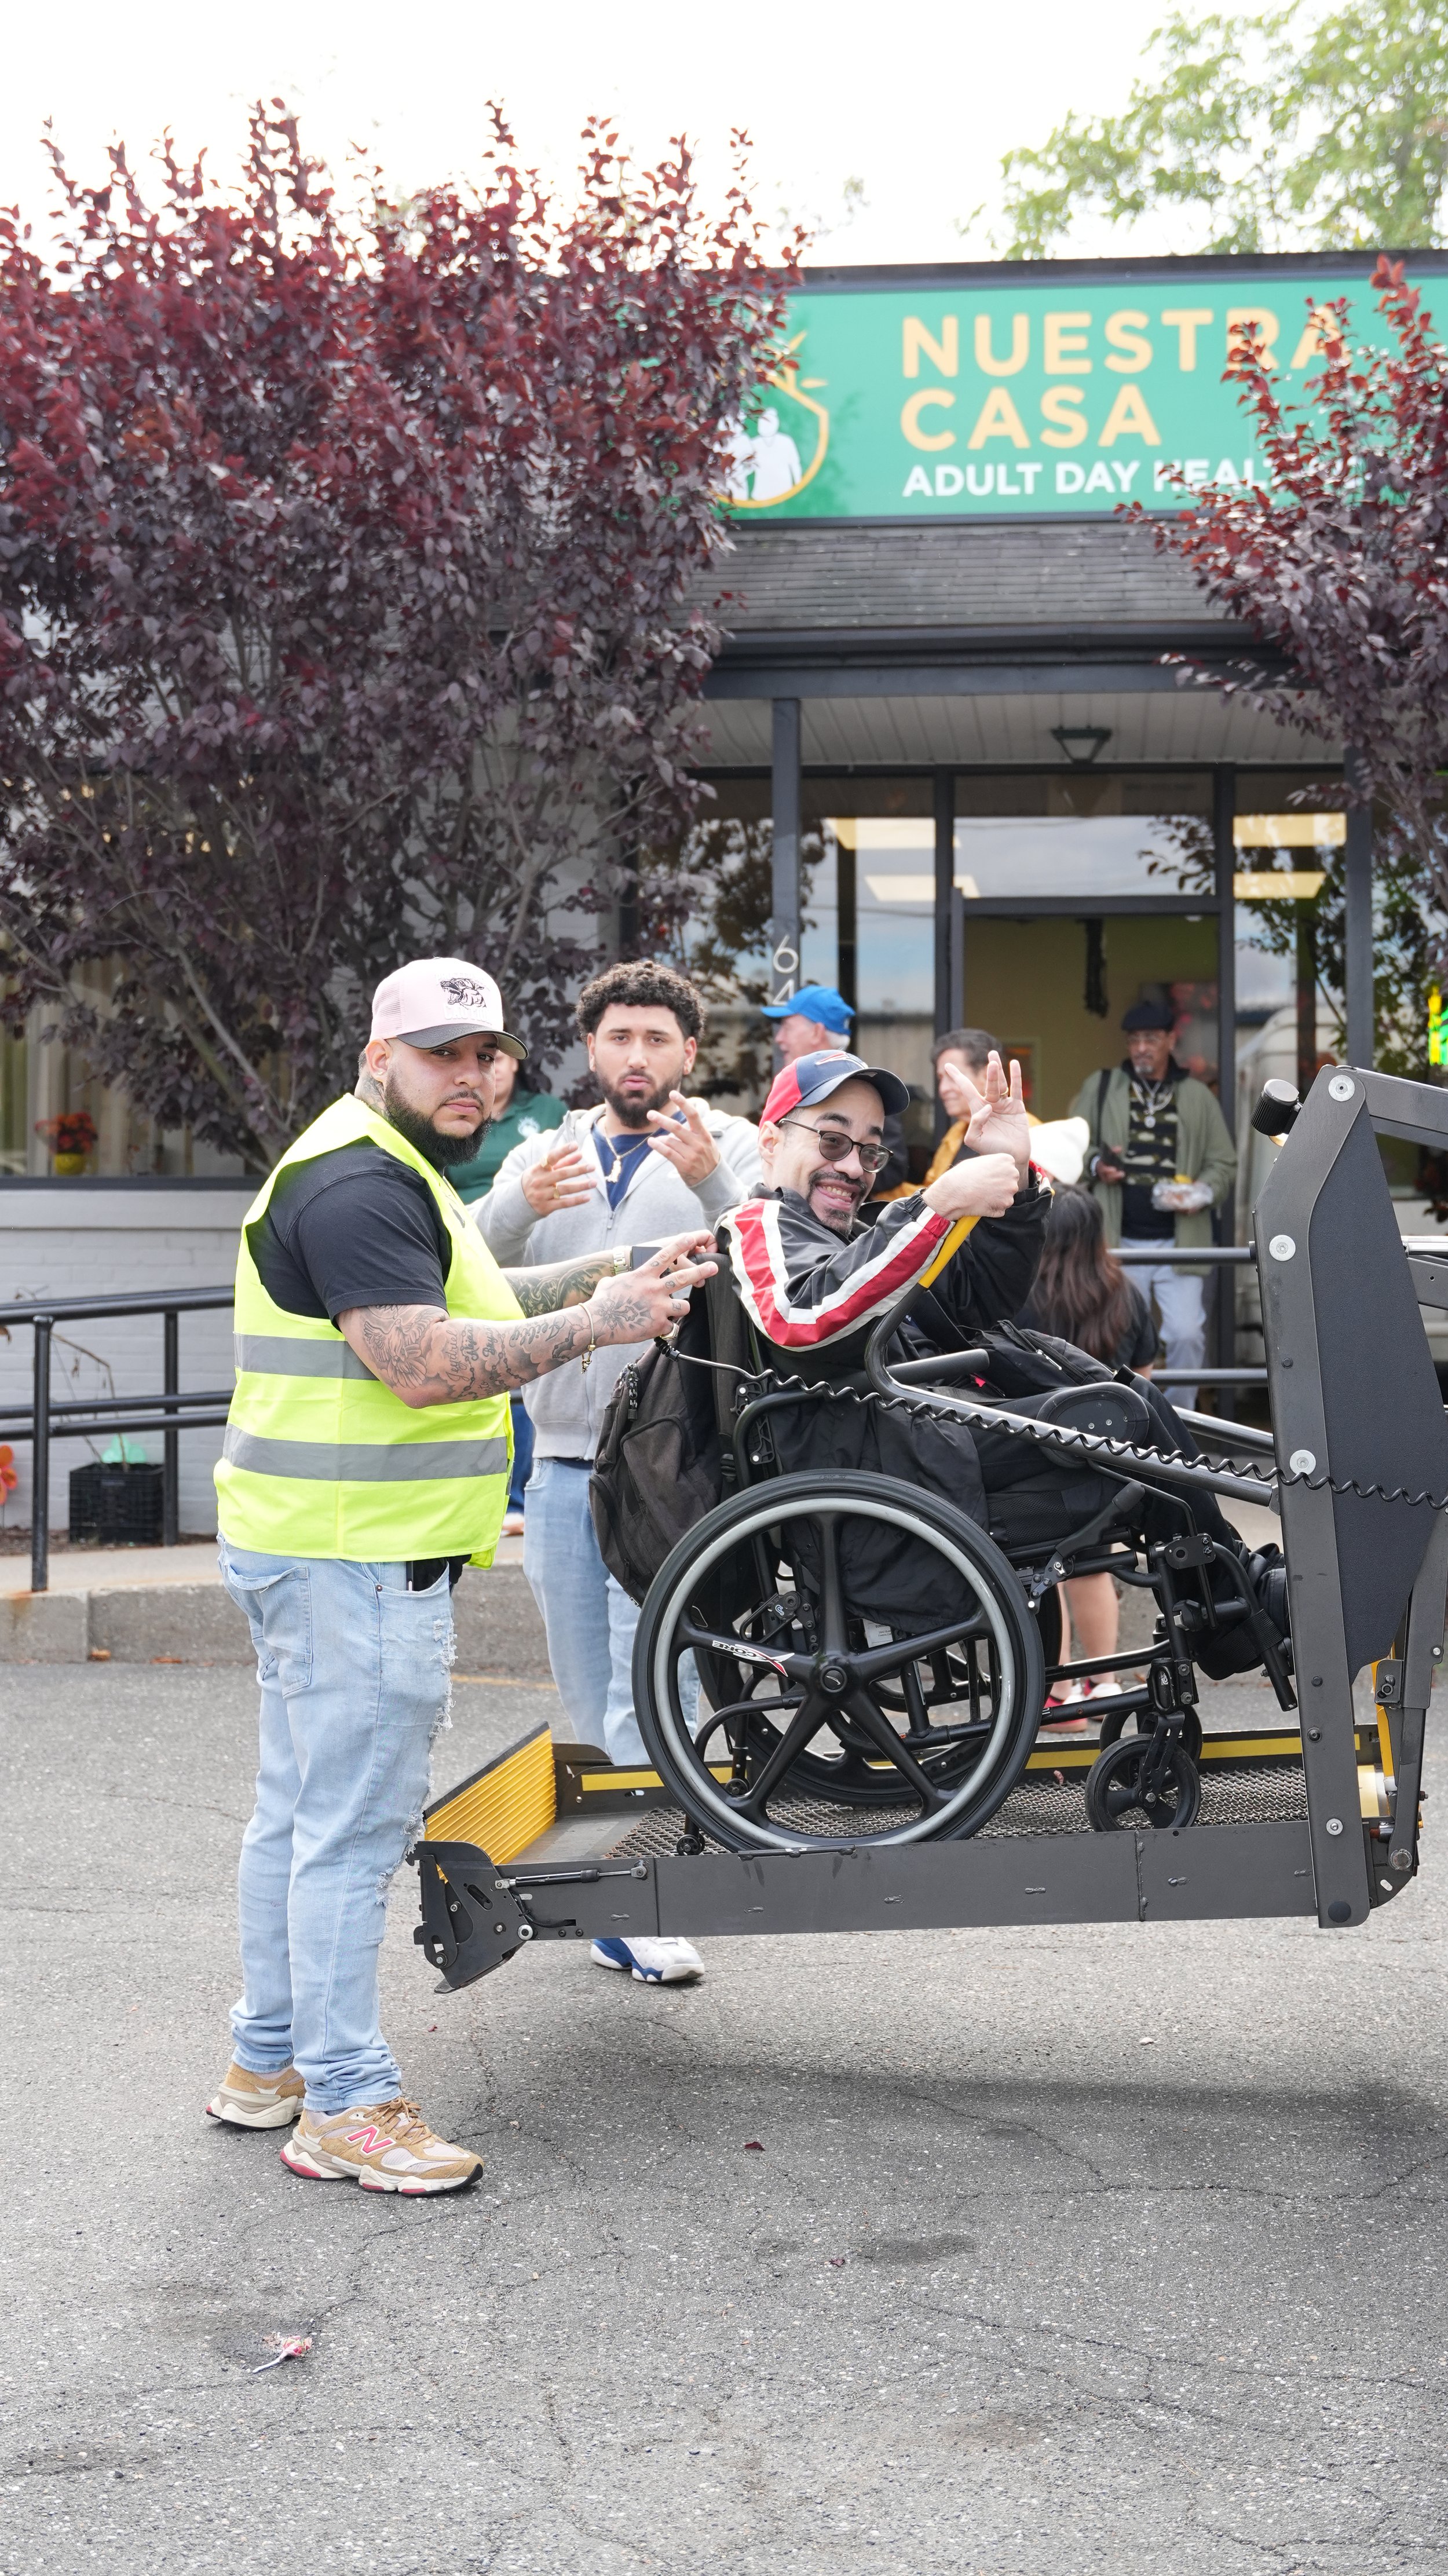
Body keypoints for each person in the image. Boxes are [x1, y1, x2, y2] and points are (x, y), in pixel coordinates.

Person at [206, 955, 716, 2187]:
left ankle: (266, 2061)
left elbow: (470, 1294)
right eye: (441, 1052)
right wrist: (598, 1325)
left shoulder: (383, 1171)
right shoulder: (357, 1186)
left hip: (316, 1546)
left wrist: (601, 1276)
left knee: (296, 1811)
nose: (472, 1075)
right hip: (354, 1564)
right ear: (377, 1056)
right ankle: (345, 2103)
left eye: (486, 1054)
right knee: (349, 1829)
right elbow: (424, 1359)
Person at [716, 1046, 1281, 1663]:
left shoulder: (848, 1235)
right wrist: (933, 1205)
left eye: (870, 1150)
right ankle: (1229, 1605)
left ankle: (1227, 1599)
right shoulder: (759, 1222)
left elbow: (975, 1299)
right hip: (889, 1465)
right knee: (1124, 1409)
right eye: (832, 1141)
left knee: (1129, 1406)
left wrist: (1012, 1165)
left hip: (912, 1447)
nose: (853, 1166)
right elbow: (800, 1317)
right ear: (770, 1141)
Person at [477, 960, 761, 1982]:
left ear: (689, 1052)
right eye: (618, 1038)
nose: (636, 1055)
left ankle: (650, 1895)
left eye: (657, 1039)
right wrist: (513, 1207)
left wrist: (715, 1185)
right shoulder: (540, 1150)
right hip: (556, 1466)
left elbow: (776, 1270)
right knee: (587, 1692)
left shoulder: (723, 1144)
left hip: (672, 1465)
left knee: (663, 1682)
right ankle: (610, 1898)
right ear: (590, 1050)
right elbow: (461, 1279)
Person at [1018, 1184, 1158, 1720]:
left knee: (1041, 1567)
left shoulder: (1020, 1293)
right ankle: (1105, 1685)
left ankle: (1060, 1696)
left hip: (1033, 1458)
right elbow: (1142, 1385)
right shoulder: (1124, 1292)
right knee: (1094, 1567)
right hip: (1110, 1462)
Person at [1072, 998, 1237, 1410]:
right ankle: (1124, 1419)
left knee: (1185, 1335)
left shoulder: (1197, 1096)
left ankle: (1181, 1418)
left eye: (1150, 1039)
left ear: (1170, 1040)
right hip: (1117, 1243)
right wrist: (1096, 1163)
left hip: (1180, 1244)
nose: (1141, 1048)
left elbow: (1224, 1164)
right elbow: (1072, 1144)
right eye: (1134, 1040)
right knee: (1116, 1335)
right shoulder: (1103, 1085)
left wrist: (1201, 1192)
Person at [449, 1051, 566, 1534]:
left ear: (517, 1064)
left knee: (522, 1376)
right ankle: (492, 1496)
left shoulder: (544, 1115)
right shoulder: (454, 1112)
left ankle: (517, 1499)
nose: (489, 1068)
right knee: (480, 1373)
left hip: (527, 1255)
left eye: (495, 1057)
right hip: (466, 1245)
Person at [763, 983, 910, 1194]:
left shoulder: (866, 1091)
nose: (779, 1038)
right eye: (832, 1140)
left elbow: (895, 1168)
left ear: (816, 1032)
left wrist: (833, 1187)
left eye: (788, 1027)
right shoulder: (795, 1083)